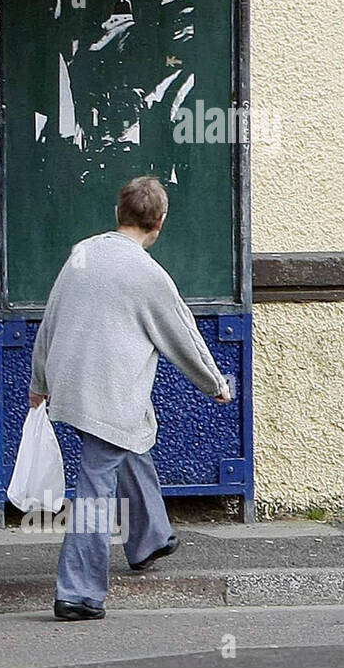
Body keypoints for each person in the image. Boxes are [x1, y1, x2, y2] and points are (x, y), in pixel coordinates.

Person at [30, 175, 233, 620]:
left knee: (131, 443)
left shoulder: (82, 252)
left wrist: (39, 380)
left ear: (117, 213)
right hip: (109, 393)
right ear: (159, 221)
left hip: (73, 384)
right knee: (95, 487)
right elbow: (183, 335)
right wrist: (215, 382)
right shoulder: (149, 274)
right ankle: (78, 592)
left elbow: (51, 316)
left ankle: (150, 538)